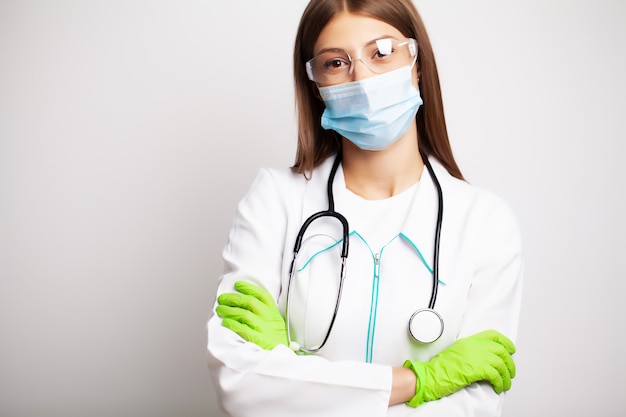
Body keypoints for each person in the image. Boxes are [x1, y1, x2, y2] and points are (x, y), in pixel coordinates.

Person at [207, 0, 523, 416]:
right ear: (316, 85)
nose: (362, 77)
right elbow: (242, 387)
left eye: (382, 52)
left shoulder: (485, 222)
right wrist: (418, 381)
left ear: (418, 64)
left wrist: (293, 374)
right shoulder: (275, 200)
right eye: (336, 63)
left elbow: (472, 408)